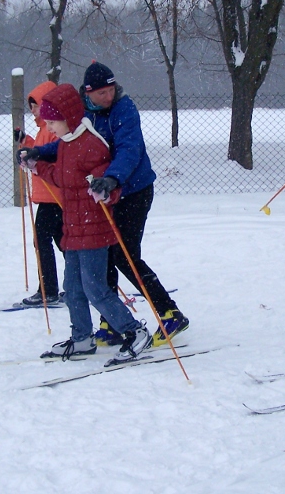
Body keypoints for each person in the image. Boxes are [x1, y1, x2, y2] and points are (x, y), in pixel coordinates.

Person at [32, 61, 189, 348]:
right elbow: (69, 143)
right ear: (87, 93)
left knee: (123, 254)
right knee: (102, 253)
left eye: (111, 90)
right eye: (102, 92)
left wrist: (113, 179)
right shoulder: (81, 113)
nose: (109, 96)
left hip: (132, 189)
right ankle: (110, 322)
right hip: (103, 192)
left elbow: (129, 148)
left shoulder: (123, 109)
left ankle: (169, 312)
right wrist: (39, 152)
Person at [17, 83, 152, 365]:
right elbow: (62, 180)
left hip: (94, 229)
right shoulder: (66, 145)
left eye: (53, 121)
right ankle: (81, 338)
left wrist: (106, 188)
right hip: (74, 228)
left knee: (94, 288)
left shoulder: (91, 144)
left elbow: (110, 183)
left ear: (68, 118)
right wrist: (36, 164)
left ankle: (134, 331)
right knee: (73, 288)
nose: (49, 127)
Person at [14, 81, 64, 307]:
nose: (32, 111)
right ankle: (80, 283)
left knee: (44, 241)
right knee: (60, 242)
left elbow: (52, 155)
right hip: (46, 195)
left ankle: (49, 289)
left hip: (54, 196)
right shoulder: (44, 129)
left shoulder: (53, 129)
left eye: (35, 106)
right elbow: (40, 148)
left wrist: (34, 158)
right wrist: (26, 143)